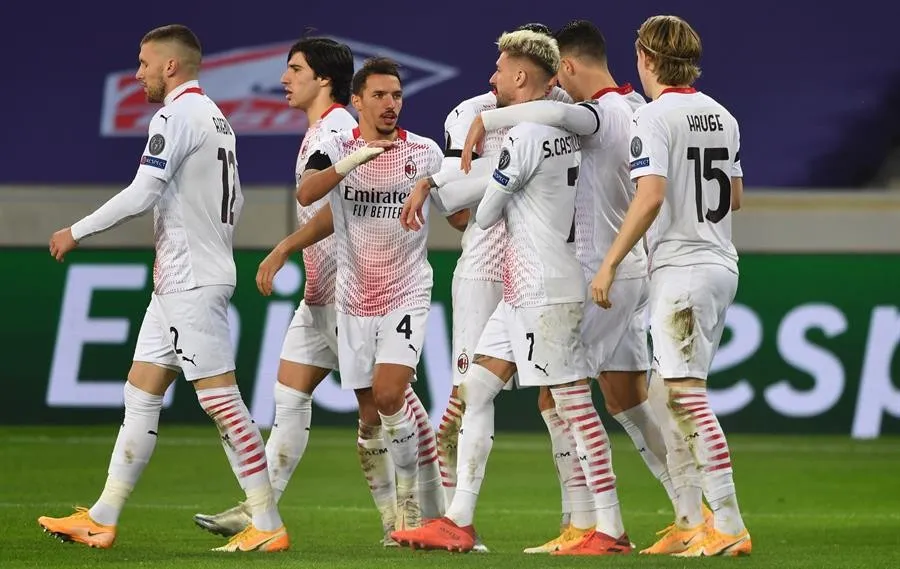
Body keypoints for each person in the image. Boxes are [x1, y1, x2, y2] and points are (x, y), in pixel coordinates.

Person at [39, 24, 288, 552]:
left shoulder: (175, 115)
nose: (138, 73)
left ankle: (267, 524)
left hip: (190, 279)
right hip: (182, 277)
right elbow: (235, 200)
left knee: (221, 401)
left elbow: (143, 191)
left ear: (171, 66)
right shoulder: (219, 120)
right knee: (141, 391)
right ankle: (102, 517)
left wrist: (75, 230)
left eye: (144, 63)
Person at [459, 19, 702, 553]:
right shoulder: (637, 107)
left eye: (558, 76)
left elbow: (552, 112)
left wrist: (489, 117)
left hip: (597, 273)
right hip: (626, 270)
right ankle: (689, 514)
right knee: (628, 401)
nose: (554, 87)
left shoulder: (600, 114)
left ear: (567, 66)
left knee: (562, 394)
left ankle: (601, 525)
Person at [191, 37, 439, 547]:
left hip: (354, 292)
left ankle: (419, 516)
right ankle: (261, 508)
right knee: (293, 397)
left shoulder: (343, 130)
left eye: (295, 69)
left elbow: (336, 201)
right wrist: (287, 250)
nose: (284, 78)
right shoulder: (326, 131)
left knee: (387, 408)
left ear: (326, 80)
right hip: (324, 293)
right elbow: (329, 205)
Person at [391, 29, 631, 556]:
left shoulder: (524, 138)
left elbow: (480, 213)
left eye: (500, 69)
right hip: (522, 291)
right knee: (475, 391)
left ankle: (609, 528)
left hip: (545, 288)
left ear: (521, 77)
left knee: (572, 404)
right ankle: (458, 520)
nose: (492, 77)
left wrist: (440, 182)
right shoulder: (569, 127)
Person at [590, 14, 751, 557]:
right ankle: (690, 522)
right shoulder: (722, 115)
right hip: (718, 260)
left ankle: (728, 524)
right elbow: (734, 197)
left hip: (681, 268)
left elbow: (651, 195)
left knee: (684, 397)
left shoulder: (653, 117)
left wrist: (611, 261)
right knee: (666, 392)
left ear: (648, 59)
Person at [295, 57, 444, 532]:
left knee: (389, 394)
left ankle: (410, 506)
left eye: (397, 95)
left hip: (406, 290)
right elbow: (307, 195)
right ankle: (389, 523)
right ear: (356, 100)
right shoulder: (335, 144)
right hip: (353, 296)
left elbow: (456, 207)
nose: (390, 104)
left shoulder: (423, 152)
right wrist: (353, 159)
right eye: (379, 95)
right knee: (368, 415)